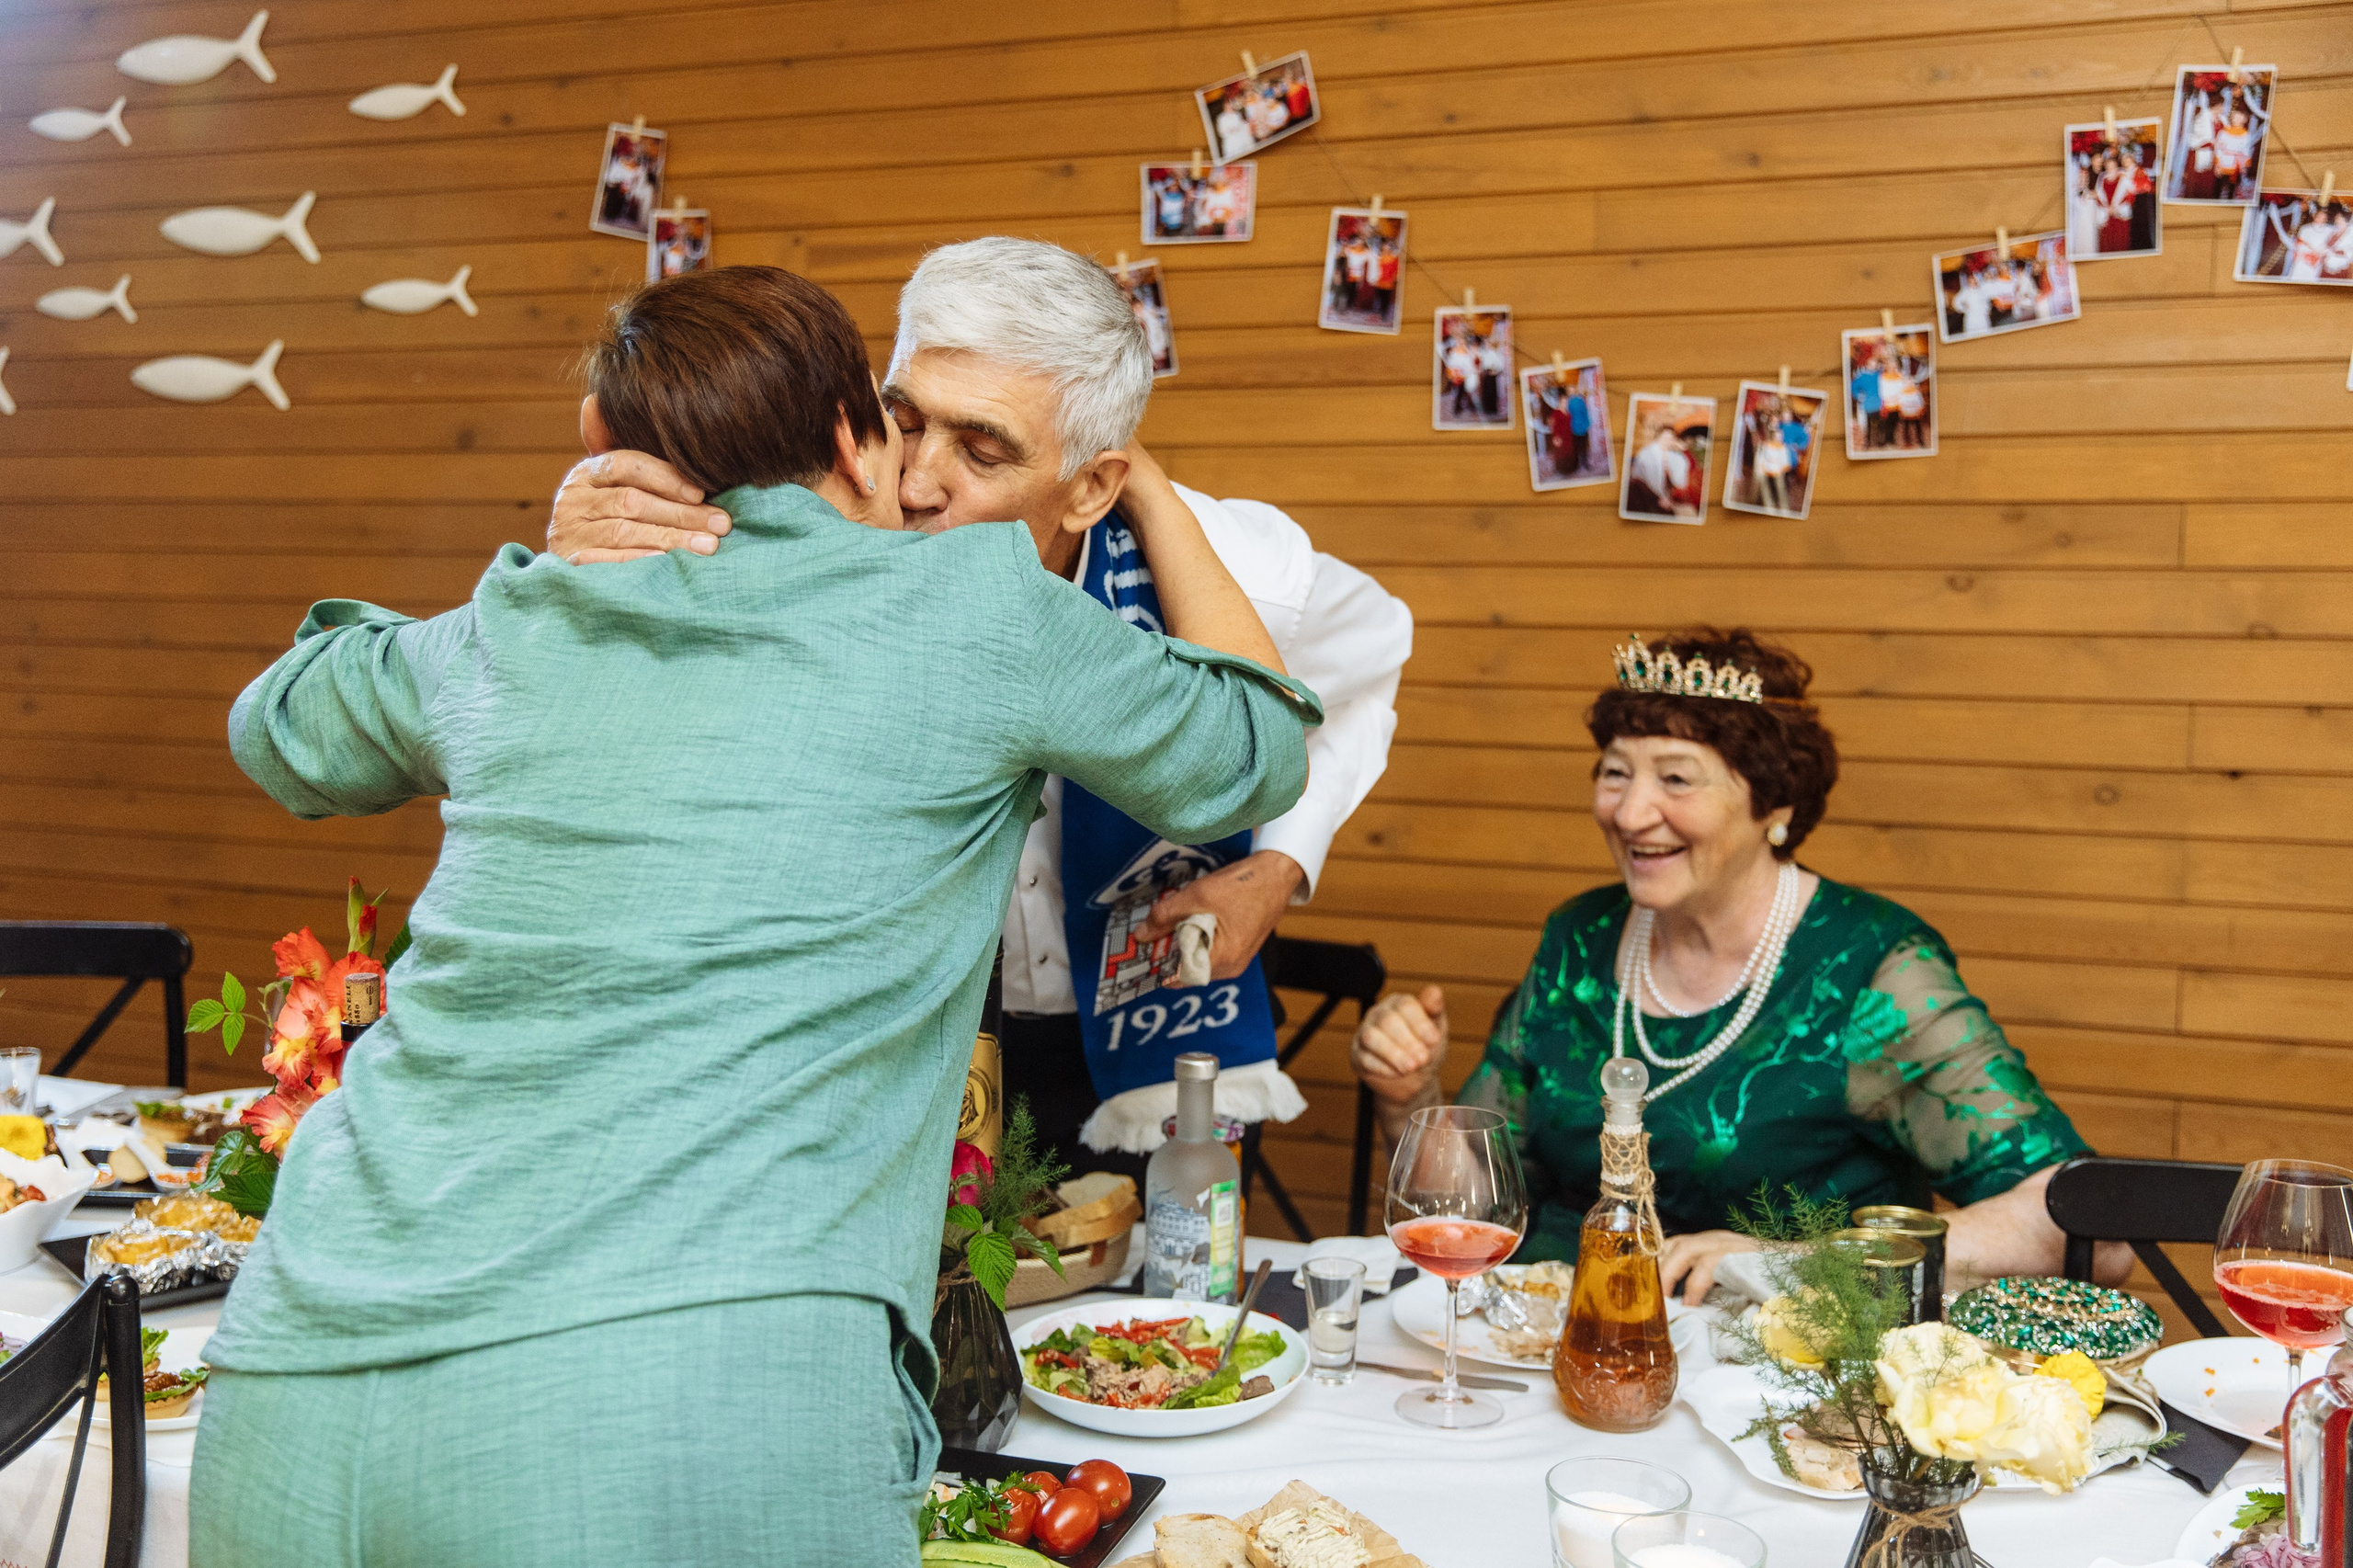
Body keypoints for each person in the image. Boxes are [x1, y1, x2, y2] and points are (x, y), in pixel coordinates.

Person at [188, 267, 1320, 1565]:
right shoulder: (979, 607)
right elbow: (1256, 740)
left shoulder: (527, 611)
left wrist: (553, 565)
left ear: (606, 450)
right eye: (908, 423)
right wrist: (1155, 488)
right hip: (689, 1404)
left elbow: (282, 724)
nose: (933, 471)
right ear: (856, 432)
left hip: (298, 1368)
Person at [540, 237, 1413, 1179]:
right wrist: (577, 553)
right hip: (909, 1044)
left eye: (982, 450)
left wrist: (1279, 863)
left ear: (1091, 486)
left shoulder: (1230, 565)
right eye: (905, 420)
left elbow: (1372, 657)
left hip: (1146, 1026)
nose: (915, 482)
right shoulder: (817, 516)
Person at [1348, 628, 2132, 1302]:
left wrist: (1794, 1265)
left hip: (1789, 1375)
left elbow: (2093, 1231)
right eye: (1616, 772)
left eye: (1676, 778)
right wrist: (1409, 1094)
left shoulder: (1869, 970)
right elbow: (1478, 1214)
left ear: (1775, 807)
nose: (1628, 812)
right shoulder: (1579, 939)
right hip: (1558, 1347)